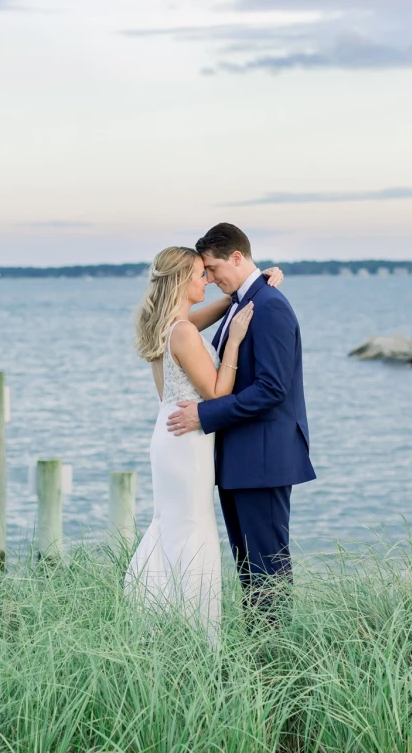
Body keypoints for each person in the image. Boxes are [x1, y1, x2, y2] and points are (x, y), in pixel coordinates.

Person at [124, 245, 283, 643]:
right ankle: (196, 633)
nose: (207, 280)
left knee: (172, 524)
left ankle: (161, 619)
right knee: (193, 527)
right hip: (188, 440)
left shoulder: (167, 324)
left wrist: (250, 287)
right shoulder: (183, 333)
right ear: (181, 281)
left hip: (169, 436)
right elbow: (216, 395)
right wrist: (233, 344)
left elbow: (215, 311)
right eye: (200, 275)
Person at [166, 223, 315, 627]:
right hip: (240, 459)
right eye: (205, 273)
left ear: (236, 257)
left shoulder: (270, 307)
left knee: (268, 573)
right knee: (250, 573)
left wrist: (204, 415)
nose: (210, 278)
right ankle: (259, 659)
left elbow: (272, 389)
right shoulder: (241, 301)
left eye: (212, 269)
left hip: (263, 460)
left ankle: (276, 663)